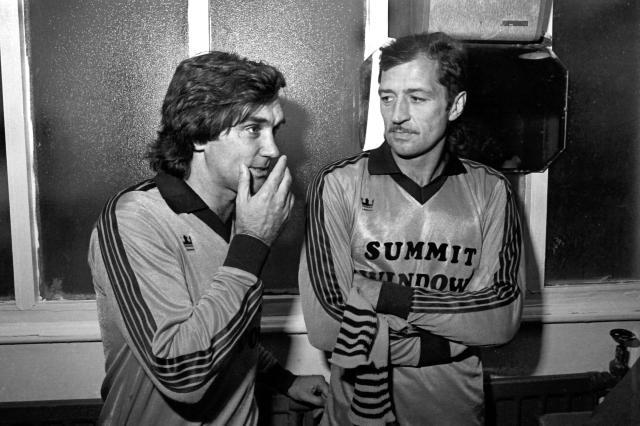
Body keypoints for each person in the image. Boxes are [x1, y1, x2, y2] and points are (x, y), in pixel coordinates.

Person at [88, 51, 328, 425]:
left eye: (274, 130)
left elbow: (224, 327)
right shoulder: (136, 218)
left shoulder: (242, 216)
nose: (273, 150)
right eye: (253, 129)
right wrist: (252, 243)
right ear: (200, 135)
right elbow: (182, 372)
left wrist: (284, 381)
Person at [299, 32, 524, 425]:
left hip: (453, 408)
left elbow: (500, 316)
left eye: (417, 98)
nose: (397, 115)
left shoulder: (491, 190)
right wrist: (447, 341)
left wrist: (383, 297)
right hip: (357, 413)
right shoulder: (338, 184)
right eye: (387, 97)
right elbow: (328, 327)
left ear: (455, 105)